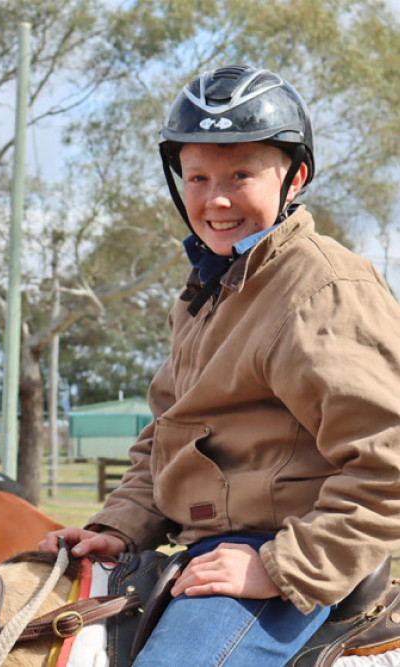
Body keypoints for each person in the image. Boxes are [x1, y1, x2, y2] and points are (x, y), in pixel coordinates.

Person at [39, 64, 400, 665]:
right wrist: (121, 526)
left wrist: (281, 568)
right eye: (198, 176)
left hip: (287, 554)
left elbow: (391, 458)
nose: (216, 199)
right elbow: (171, 431)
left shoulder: (320, 288)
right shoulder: (209, 288)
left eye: (241, 174)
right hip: (207, 546)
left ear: (296, 177)